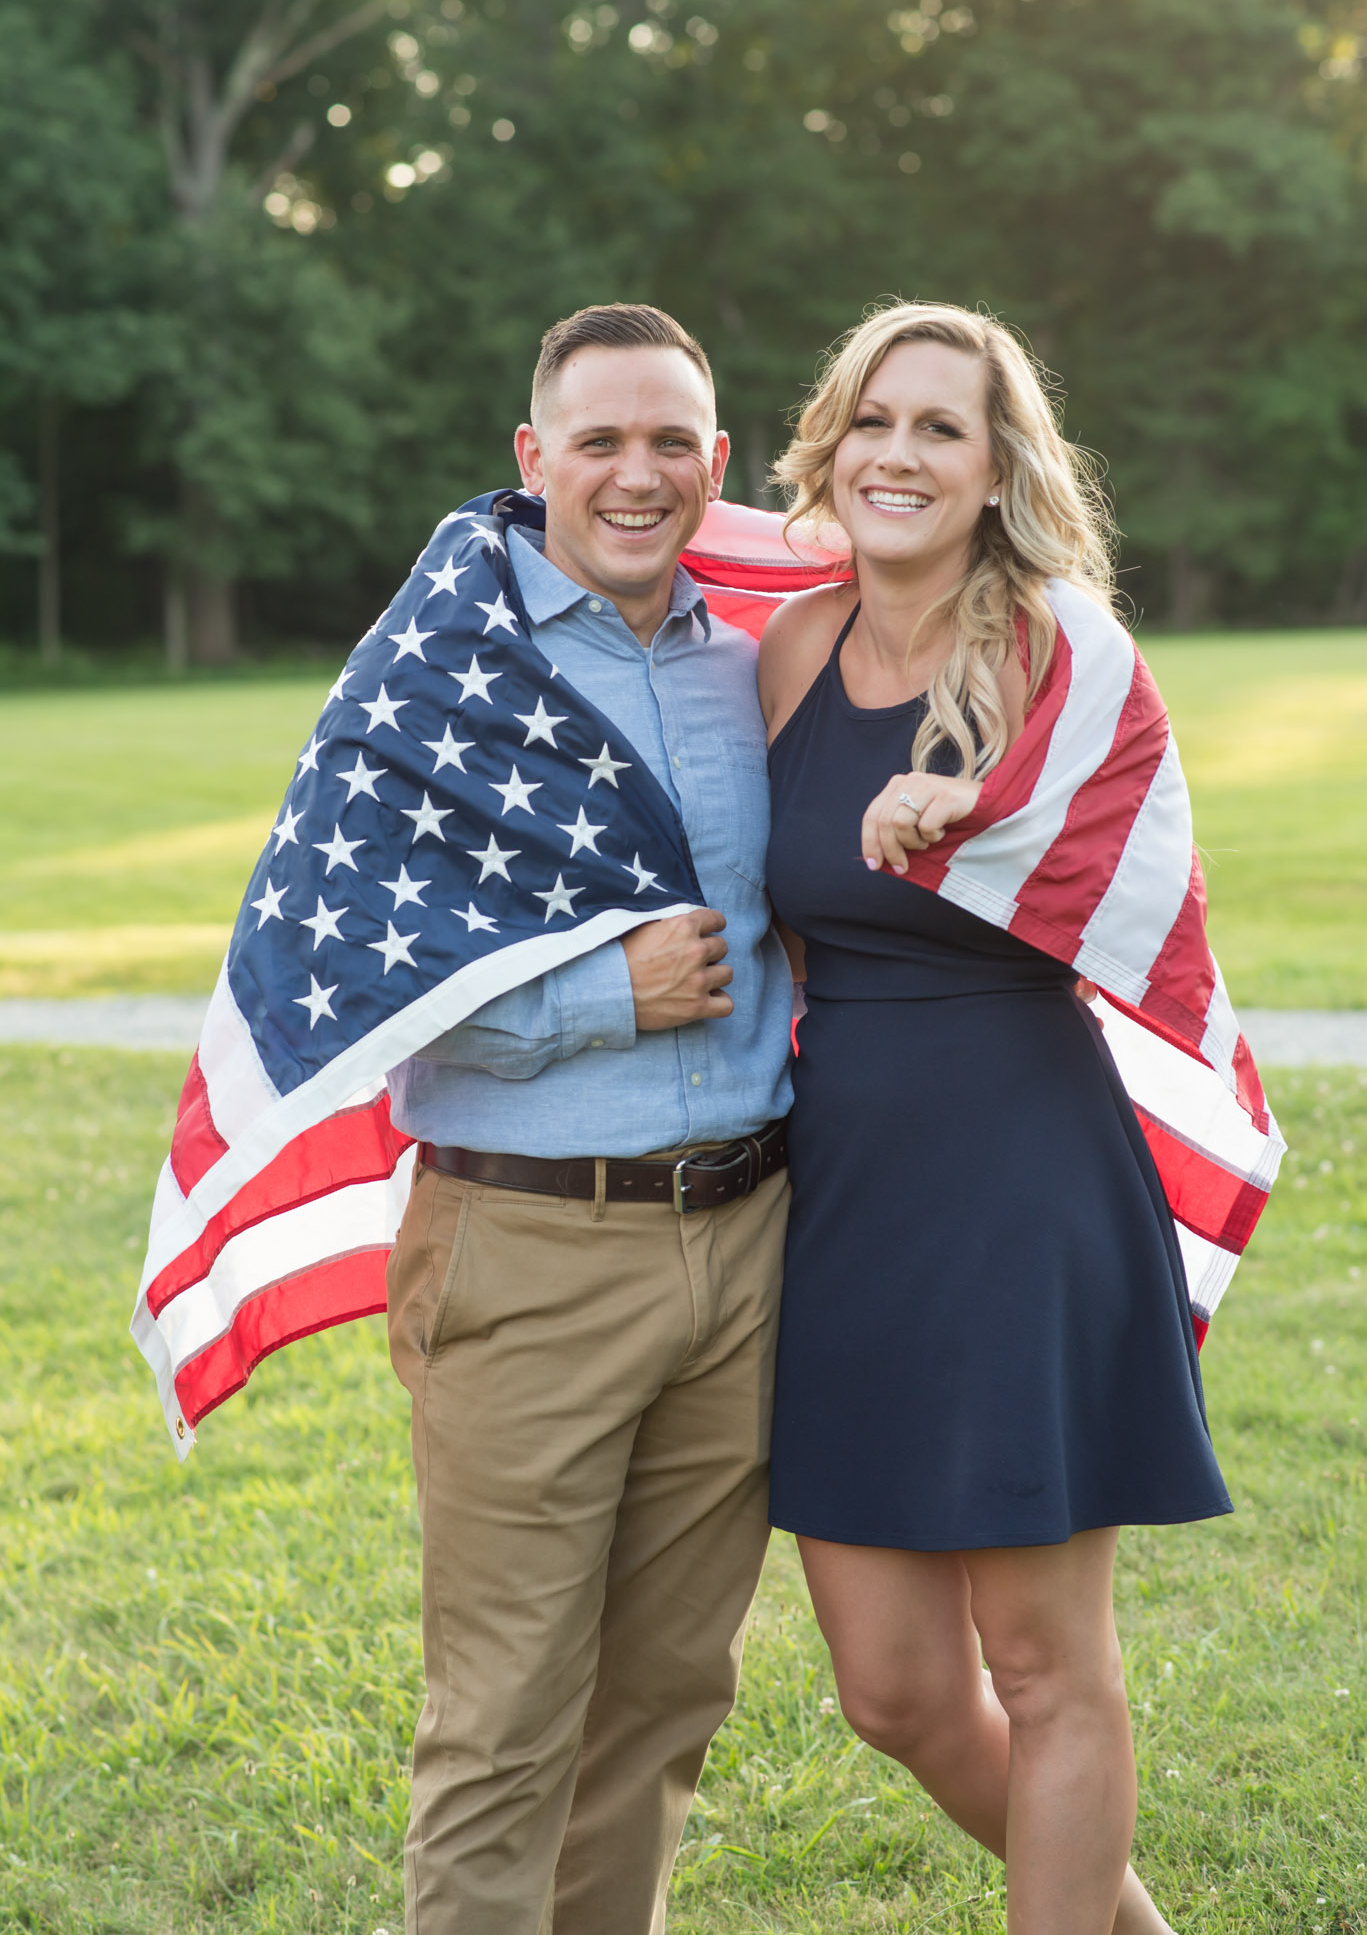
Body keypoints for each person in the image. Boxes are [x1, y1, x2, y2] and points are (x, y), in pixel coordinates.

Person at [758, 302, 1233, 1935]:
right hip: (843, 1193)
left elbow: (1114, 847)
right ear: (833, 440)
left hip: (1021, 1177)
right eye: (875, 420)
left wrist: (971, 812)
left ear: (994, 466)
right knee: (892, 1690)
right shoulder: (792, 653)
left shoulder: (1059, 645)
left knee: (1043, 1662)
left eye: (941, 428)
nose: (900, 453)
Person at [383, 303, 795, 1934]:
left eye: (672, 440)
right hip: (529, 1247)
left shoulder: (754, 667)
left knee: (666, 1703)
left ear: (716, 458)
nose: (639, 474)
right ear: (531, 456)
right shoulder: (442, 670)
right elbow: (347, 979)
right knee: (503, 1721)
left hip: (746, 1244)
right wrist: (599, 995)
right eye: (601, 440)